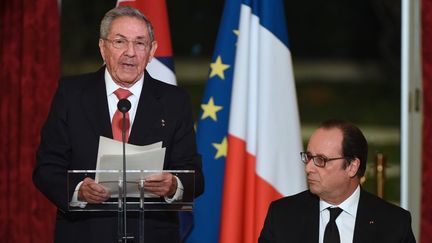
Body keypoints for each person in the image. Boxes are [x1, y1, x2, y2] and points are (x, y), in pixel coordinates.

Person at [33, 6, 204, 243]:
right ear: (103, 48)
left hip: (153, 234)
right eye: (120, 42)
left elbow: (195, 176)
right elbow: (46, 169)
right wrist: (78, 190)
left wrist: (173, 185)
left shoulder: (174, 101)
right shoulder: (71, 94)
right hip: (86, 234)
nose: (130, 52)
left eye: (140, 43)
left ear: (152, 50)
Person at [259, 119, 416, 243]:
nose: (308, 168)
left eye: (321, 160)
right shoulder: (283, 216)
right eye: (308, 157)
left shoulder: (393, 224)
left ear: (352, 167)